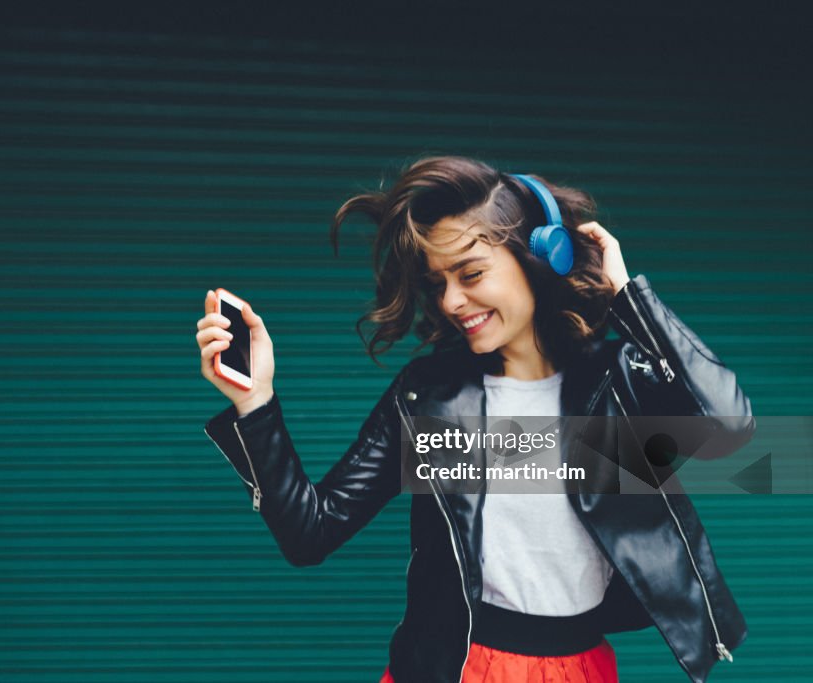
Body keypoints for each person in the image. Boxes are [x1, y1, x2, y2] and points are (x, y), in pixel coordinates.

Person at [195, 156, 754, 683]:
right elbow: (311, 533)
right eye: (439, 282)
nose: (452, 301)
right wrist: (256, 404)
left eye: (470, 273)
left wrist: (629, 297)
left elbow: (729, 431)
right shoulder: (427, 397)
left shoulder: (616, 381)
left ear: (540, 260)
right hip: (457, 666)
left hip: (581, 667)